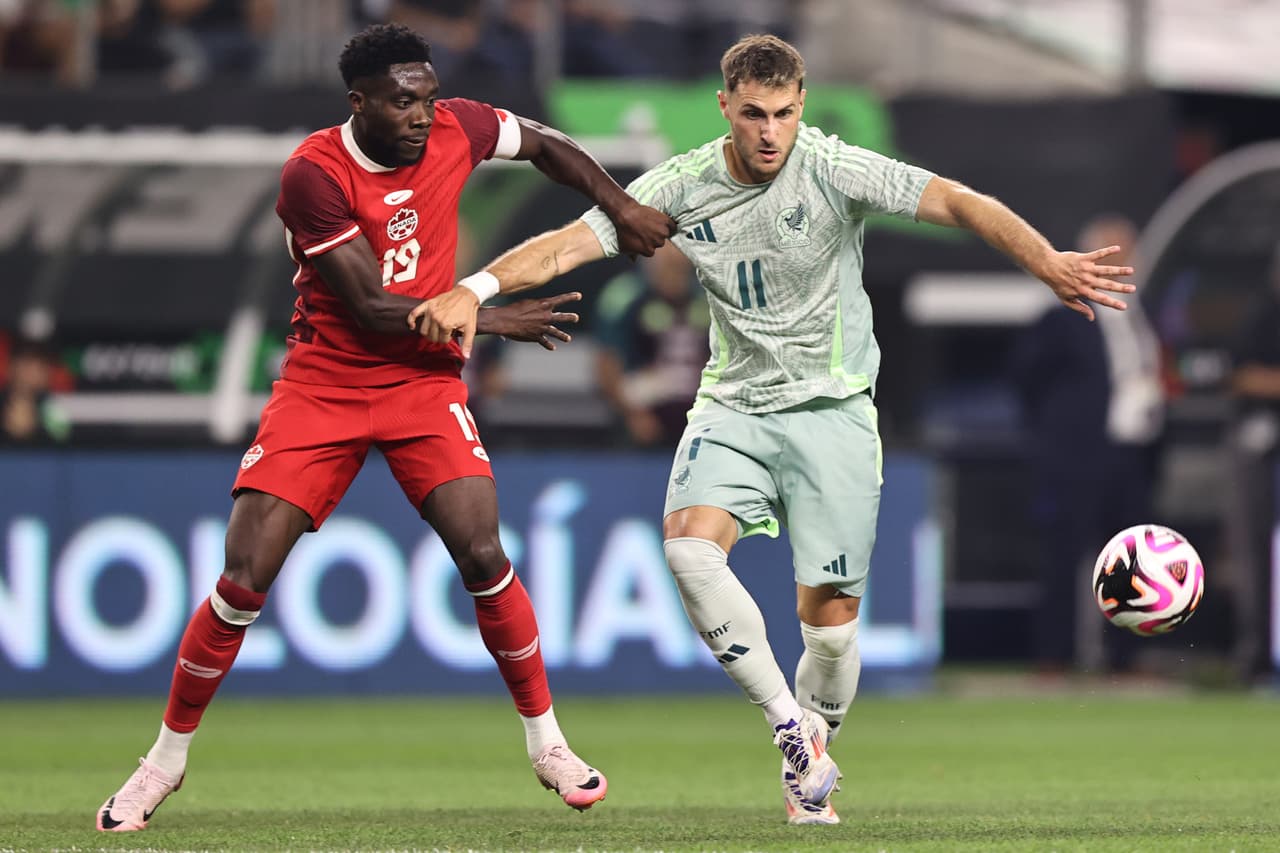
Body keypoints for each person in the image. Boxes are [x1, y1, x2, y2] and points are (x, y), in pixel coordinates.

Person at [411, 34, 1136, 825]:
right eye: (753, 113)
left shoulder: (833, 168)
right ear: (725, 107)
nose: (768, 132)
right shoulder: (682, 187)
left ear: (801, 109)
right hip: (735, 406)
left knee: (828, 628)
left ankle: (808, 755)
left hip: (834, 412)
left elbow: (961, 202)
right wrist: (475, 289)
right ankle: (790, 729)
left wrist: (1047, 262)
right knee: (688, 549)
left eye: (784, 114)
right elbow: (564, 248)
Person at [95, 22, 674, 833]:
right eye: (402, 102)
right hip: (326, 382)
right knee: (242, 576)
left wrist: (619, 202)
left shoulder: (457, 125)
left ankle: (548, 743)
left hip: (422, 383)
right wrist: (491, 316)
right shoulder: (314, 173)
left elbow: (544, 143)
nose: (421, 117)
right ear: (358, 102)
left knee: (483, 550)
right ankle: (163, 761)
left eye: (428, 98)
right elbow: (369, 309)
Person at [1010, 214, 1164, 675]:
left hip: (1131, 455)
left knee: (1131, 561)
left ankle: (1125, 659)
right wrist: (1057, 434)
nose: (1122, 265)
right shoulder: (1064, 317)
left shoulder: (1142, 317)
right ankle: (1055, 656)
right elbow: (1026, 378)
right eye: (1110, 255)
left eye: (1127, 254)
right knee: (1065, 555)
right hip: (1076, 458)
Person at [1225, 243, 1280, 679]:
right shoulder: (1263, 316)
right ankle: (1257, 655)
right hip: (1261, 447)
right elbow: (1240, 375)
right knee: (1254, 555)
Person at [594, 242, 710, 447]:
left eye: (678, 245)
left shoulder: (708, 296)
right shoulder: (624, 296)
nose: (672, 254)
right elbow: (606, 363)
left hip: (698, 412)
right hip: (642, 409)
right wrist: (633, 415)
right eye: (665, 246)